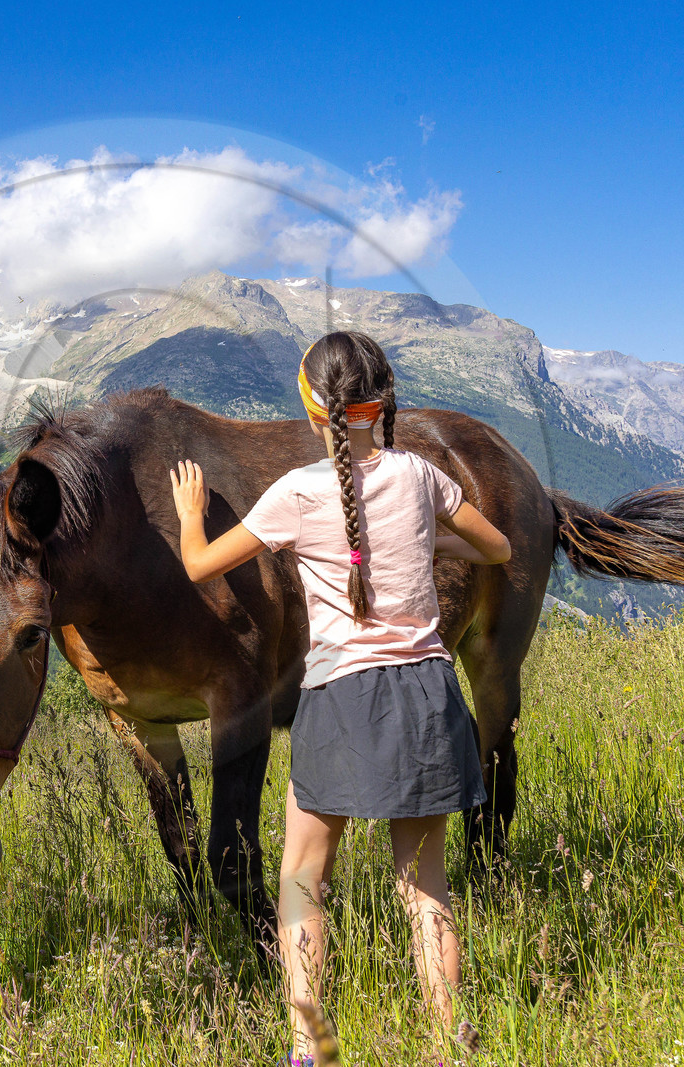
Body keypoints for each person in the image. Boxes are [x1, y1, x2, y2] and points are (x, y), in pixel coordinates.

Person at [168, 331, 511, 1064]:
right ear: (382, 401)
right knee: (426, 891)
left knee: (302, 880)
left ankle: (309, 1046)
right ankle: (448, 1044)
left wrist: (192, 510)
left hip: (337, 699)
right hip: (426, 693)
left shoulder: (295, 494)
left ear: (312, 406)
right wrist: (427, 546)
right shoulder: (422, 477)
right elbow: (498, 549)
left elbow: (200, 564)